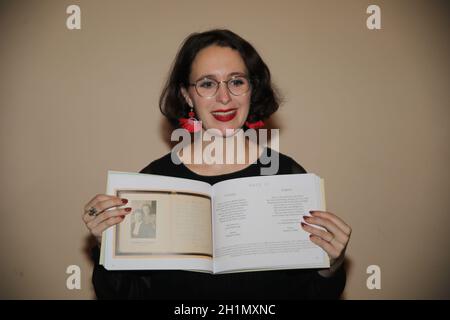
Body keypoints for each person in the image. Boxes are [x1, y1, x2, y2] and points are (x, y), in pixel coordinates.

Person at [82, 29, 351, 300]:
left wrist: (332, 263)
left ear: (252, 88)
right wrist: (107, 246)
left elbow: (310, 294)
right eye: (207, 84)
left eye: (236, 81)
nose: (224, 98)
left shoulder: (286, 175)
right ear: (187, 95)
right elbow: (128, 296)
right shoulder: (154, 181)